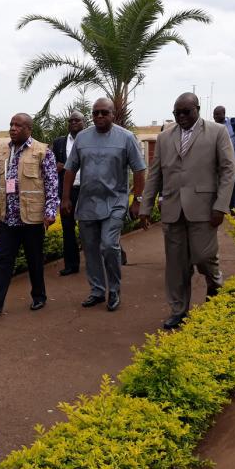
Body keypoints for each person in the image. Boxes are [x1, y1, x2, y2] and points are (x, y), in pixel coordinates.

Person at [135, 92, 235, 330]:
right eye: (176, 113)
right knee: (176, 265)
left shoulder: (216, 132)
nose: (181, 116)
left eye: (186, 112)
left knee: (203, 256)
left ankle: (214, 283)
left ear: (197, 109)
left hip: (204, 209)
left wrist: (220, 206)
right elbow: (156, 173)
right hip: (172, 209)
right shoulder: (165, 137)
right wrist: (145, 206)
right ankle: (179, 310)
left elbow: (228, 170)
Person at [62, 98, 146, 312]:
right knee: (90, 250)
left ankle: (114, 289)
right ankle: (98, 290)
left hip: (115, 201)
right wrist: (65, 198)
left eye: (104, 113)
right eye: (96, 112)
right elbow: (70, 169)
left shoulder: (126, 138)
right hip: (88, 202)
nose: (99, 116)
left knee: (108, 245)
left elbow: (139, 170)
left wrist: (137, 200)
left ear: (113, 115)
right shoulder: (82, 138)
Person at [0, 113, 58, 315]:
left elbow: (52, 184)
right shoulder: (3, 151)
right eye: (11, 124)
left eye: (18, 125)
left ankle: (39, 296)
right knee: (2, 260)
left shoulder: (42, 151)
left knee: (34, 260)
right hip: (6, 217)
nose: (13, 128)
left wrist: (50, 211)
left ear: (29, 129)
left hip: (31, 217)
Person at [52, 111, 85, 276]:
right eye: (70, 120)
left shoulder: (90, 140)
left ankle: (107, 258)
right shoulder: (59, 143)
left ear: (84, 122)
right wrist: (56, 166)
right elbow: (51, 166)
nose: (73, 122)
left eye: (77, 120)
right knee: (68, 228)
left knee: (92, 227)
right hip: (67, 192)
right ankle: (71, 264)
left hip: (87, 191)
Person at [212, 105, 235, 211]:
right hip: (218, 158)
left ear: (224, 113)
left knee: (232, 180)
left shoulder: (234, 122)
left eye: (217, 114)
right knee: (217, 180)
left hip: (233, 157)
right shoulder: (213, 126)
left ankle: (233, 206)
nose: (215, 117)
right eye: (214, 115)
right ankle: (220, 204)